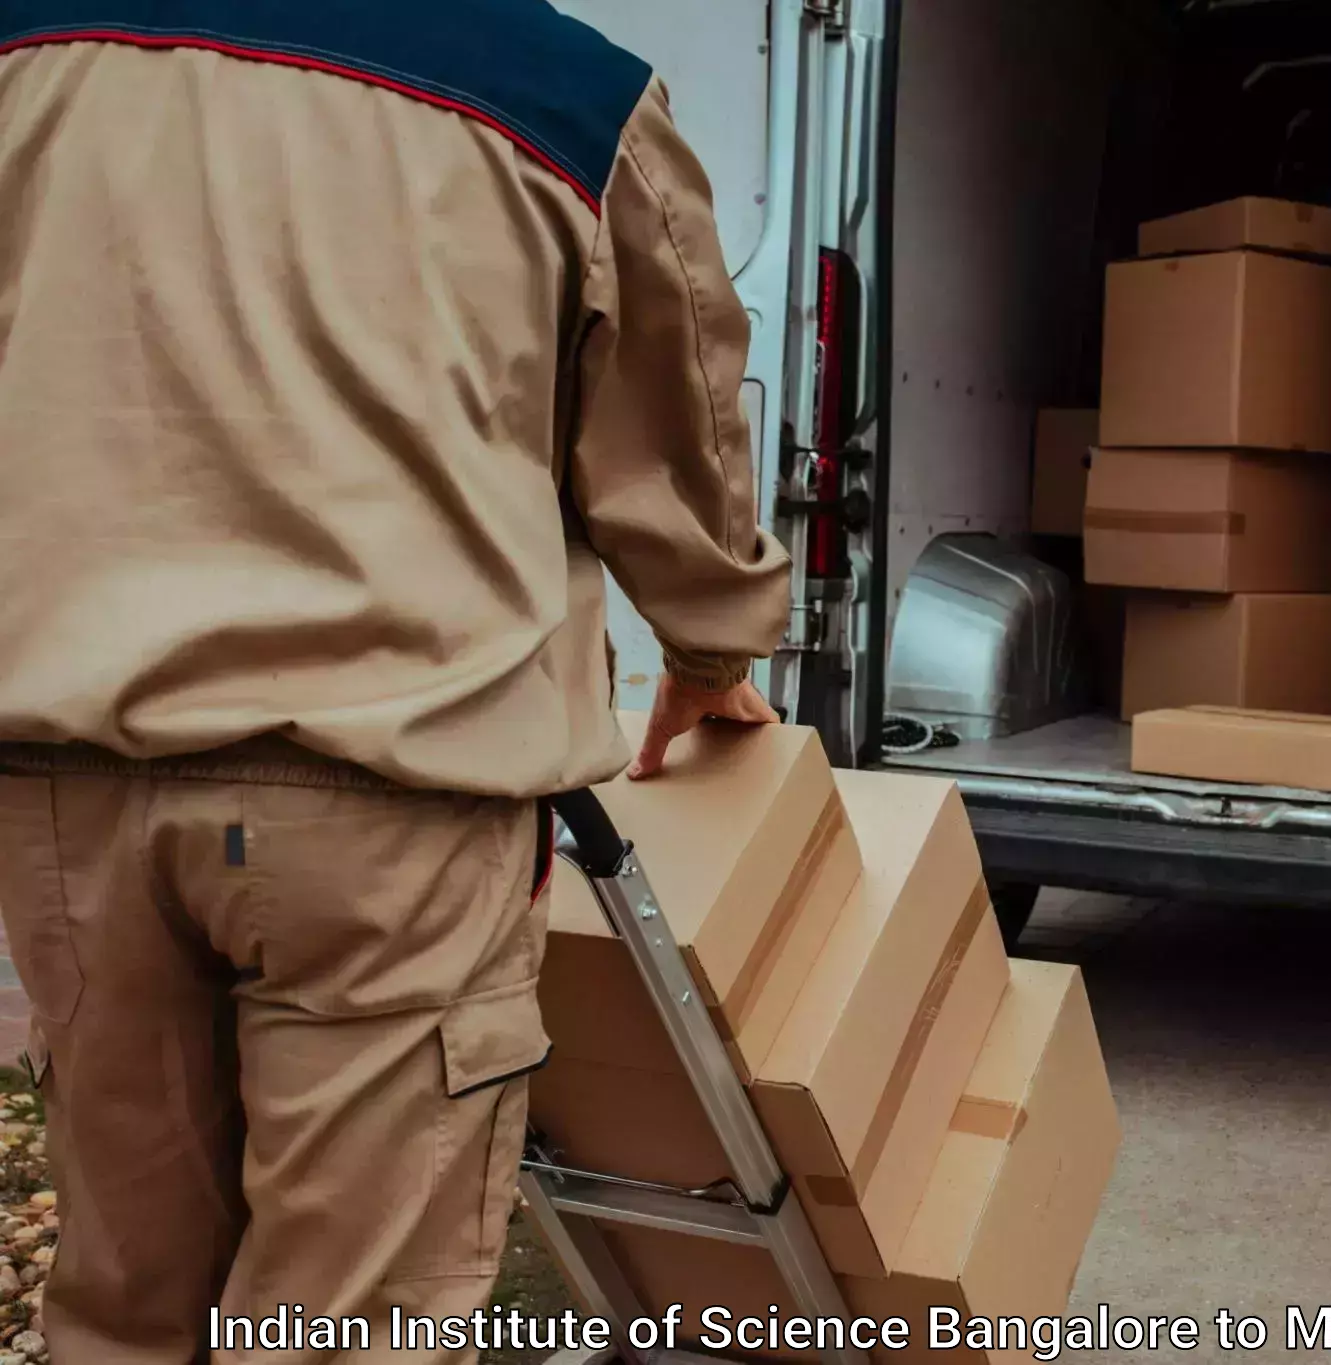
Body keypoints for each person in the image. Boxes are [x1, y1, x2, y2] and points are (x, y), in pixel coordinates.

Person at [0, 1, 792, 1360]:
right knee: (338, 1326)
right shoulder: (566, 98)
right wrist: (711, 648)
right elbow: (680, 430)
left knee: (126, 1306)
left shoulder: (31, 51)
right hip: (391, 804)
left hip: (72, 795)